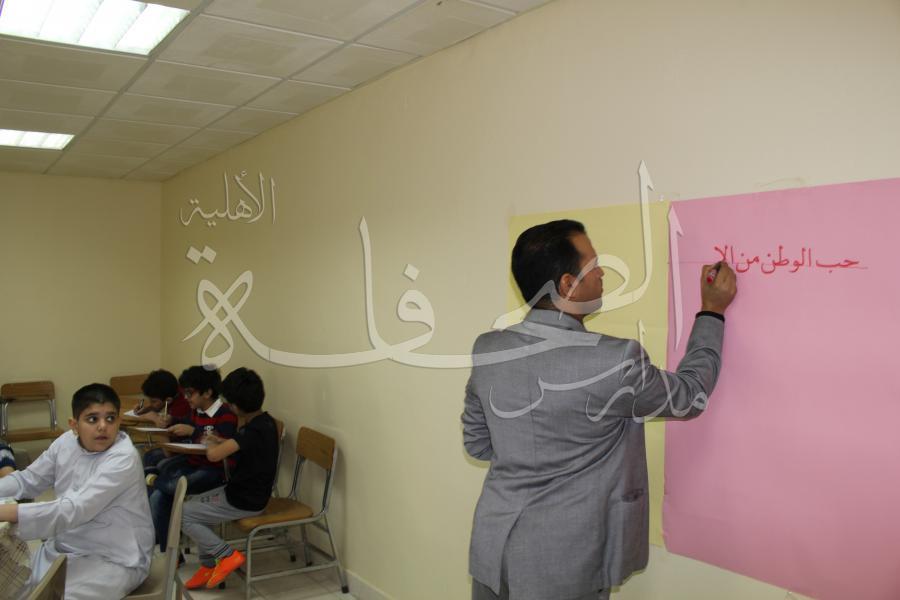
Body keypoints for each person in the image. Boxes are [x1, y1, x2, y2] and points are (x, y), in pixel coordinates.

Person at [462, 219, 737, 600]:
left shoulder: (489, 349)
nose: (603, 273)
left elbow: (477, 444)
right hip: (566, 563)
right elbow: (690, 396)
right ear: (567, 284)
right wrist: (712, 312)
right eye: (593, 265)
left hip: (495, 549)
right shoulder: (614, 361)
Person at [0, 383, 154, 600]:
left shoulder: (124, 458)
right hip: (64, 548)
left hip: (114, 558)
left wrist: (6, 512)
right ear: (74, 425)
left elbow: (75, 509)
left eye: (110, 418)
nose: (103, 426)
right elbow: (27, 480)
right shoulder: (65, 443)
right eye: (92, 419)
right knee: (14, 588)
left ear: (119, 422)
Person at [181, 368, 279, 590]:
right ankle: (208, 566)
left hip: (245, 500)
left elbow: (214, 455)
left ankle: (226, 555)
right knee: (192, 506)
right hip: (245, 493)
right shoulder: (264, 422)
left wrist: (208, 442)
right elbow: (240, 444)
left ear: (235, 406)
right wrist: (221, 440)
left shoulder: (252, 431)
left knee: (184, 514)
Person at [148, 366, 237, 552]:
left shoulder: (226, 414)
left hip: (216, 471)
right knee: (158, 494)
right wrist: (172, 420)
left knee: (169, 485)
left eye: (190, 393)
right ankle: (168, 553)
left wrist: (193, 432)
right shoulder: (197, 410)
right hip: (194, 463)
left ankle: (153, 481)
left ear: (207, 393)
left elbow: (221, 445)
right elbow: (188, 422)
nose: (186, 397)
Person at [137, 369, 192, 475]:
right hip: (175, 446)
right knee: (149, 455)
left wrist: (155, 418)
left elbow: (169, 452)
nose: (151, 403)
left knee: (154, 459)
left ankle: (153, 482)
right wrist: (147, 409)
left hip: (181, 449)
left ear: (169, 400)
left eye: (153, 401)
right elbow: (159, 405)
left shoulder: (181, 408)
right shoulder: (174, 390)